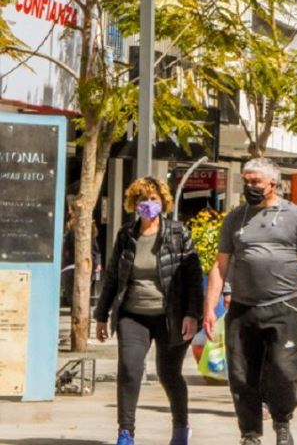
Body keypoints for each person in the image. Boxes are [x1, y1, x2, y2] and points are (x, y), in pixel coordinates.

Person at [204, 158, 297, 445]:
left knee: (284, 370)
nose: (250, 186)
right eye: (246, 181)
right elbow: (220, 267)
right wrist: (209, 308)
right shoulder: (235, 218)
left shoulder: (296, 217)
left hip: (284, 306)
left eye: (255, 181)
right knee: (242, 375)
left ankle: (282, 422)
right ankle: (250, 433)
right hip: (243, 308)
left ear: (272, 183)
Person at [94, 177, 202, 445]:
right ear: (134, 203)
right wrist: (101, 315)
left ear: (163, 202)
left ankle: (180, 428)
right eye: (143, 199)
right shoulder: (126, 235)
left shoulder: (178, 234)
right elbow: (112, 278)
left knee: (169, 373)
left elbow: (193, 277)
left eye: (154, 199)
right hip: (133, 314)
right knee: (130, 370)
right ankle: (125, 432)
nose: (148, 204)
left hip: (170, 316)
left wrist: (192, 314)